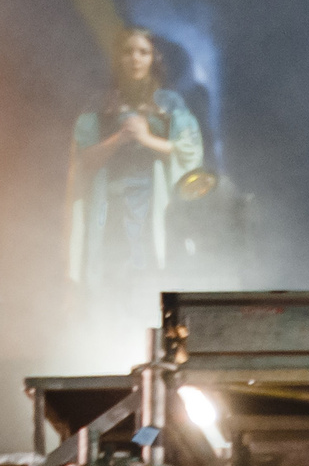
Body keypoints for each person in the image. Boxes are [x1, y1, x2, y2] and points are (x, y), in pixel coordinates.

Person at [68, 26, 206, 306]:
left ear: (153, 58)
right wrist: (118, 139)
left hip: (154, 208)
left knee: (152, 281)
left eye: (143, 52)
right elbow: (83, 161)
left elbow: (190, 154)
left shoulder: (169, 104)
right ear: (118, 58)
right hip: (110, 210)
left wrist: (147, 139)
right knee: (111, 282)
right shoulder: (99, 106)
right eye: (128, 52)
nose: (135, 59)